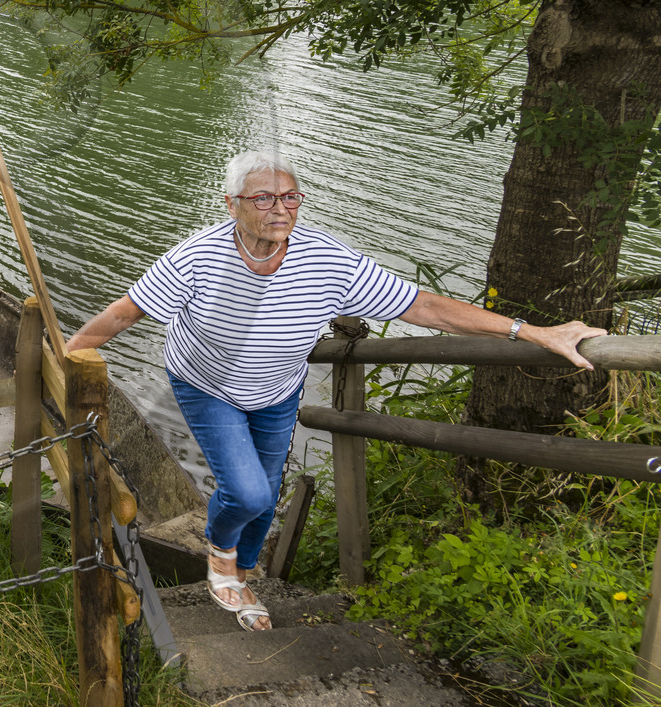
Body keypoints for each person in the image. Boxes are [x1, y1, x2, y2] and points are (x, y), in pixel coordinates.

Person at [64, 151, 604, 631]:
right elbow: (123, 314)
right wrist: (64, 360)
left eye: (291, 196)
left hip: (276, 388)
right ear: (232, 205)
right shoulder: (196, 258)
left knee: (268, 491)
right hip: (207, 383)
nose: (281, 208)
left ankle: (244, 573)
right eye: (264, 197)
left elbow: (423, 305)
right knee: (248, 493)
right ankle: (221, 555)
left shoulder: (328, 260)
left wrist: (531, 332)